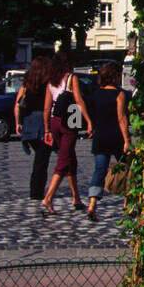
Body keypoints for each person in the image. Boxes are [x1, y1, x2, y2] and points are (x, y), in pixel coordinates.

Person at [40, 51, 93, 215]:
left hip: (54, 120)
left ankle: (76, 197)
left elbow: (47, 108)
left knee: (70, 158)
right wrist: (89, 121)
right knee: (63, 160)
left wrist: (47, 129)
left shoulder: (51, 81)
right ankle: (48, 197)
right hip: (70, 119)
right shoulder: (71, 78)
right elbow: (79, 100)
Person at [87, 62, 131, 222]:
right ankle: (127, 203)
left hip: (100, 137)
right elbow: (121, 118)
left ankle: (92, 204)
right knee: (128, 169)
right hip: (116, 137)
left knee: (99, 171)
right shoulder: (119, 95)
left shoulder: (96, 94)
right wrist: (127, 140)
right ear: (116, 76)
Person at [13, 56, 52, 202]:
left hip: (28, 122)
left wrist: (18, 123)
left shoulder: (26, 84)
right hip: (42, 122)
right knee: (42, 160)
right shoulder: (48, 84)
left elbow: (17, 105)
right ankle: (36, 191)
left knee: (39, 158)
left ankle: (36, 190)